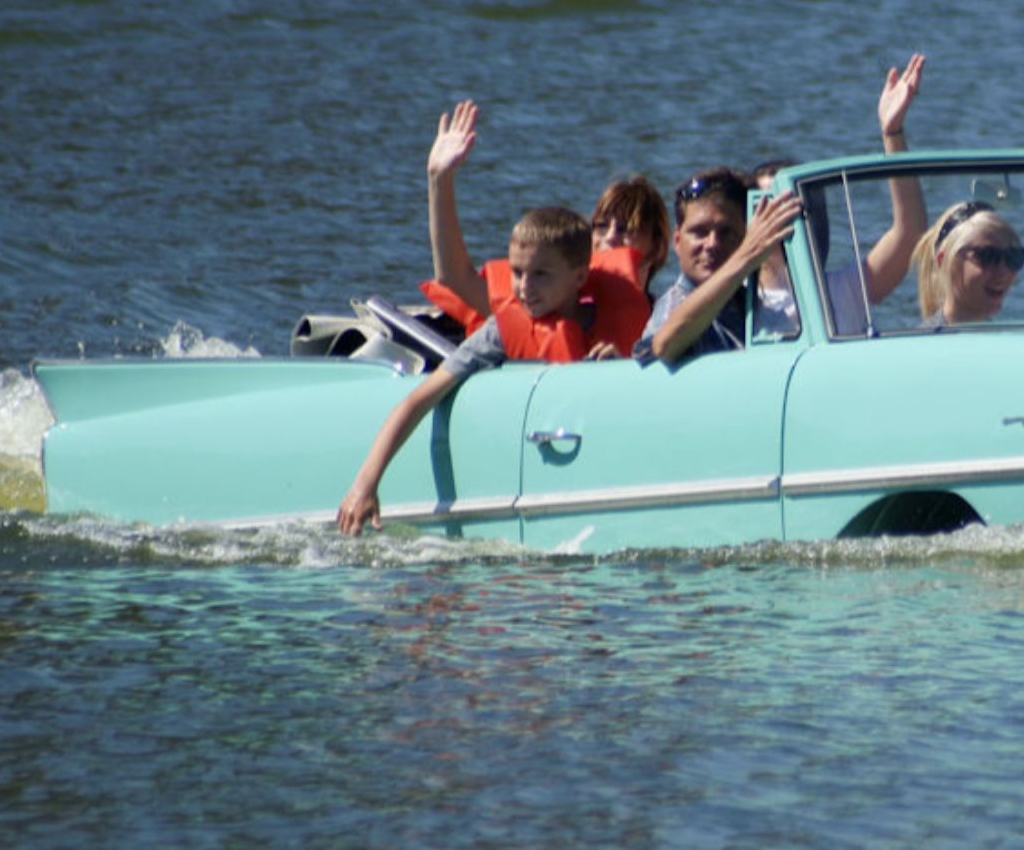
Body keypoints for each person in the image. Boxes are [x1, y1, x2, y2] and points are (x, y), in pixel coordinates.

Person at [338, 207, 601, 535]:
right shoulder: (499, 334)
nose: (525, 287)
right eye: (517, 273)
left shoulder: (614, 324)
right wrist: (365, 485)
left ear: (579, 276)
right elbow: (417, 400)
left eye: (541, 274)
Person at [418, 99, 651, 359]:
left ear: (660, 245)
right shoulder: (527, 301)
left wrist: (618, 367)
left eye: (626, 228)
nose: (611, 237)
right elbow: (455, 276)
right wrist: (440, 179)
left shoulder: (664, 317)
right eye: (601, 226)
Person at [747, 52, 932, 339]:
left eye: (793, 205)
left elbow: (910, 234)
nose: (782, 215)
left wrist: (892, 134)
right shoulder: (733, 301)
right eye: (769, 204)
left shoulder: (842, 290)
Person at [632, 167, 803, 365]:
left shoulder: (752, 307)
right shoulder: (675, 302)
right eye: (699, 232)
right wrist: (746, 257)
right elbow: (664, 345)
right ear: (677, 241)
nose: (712, 243)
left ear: (744, 237)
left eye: (726, 232)